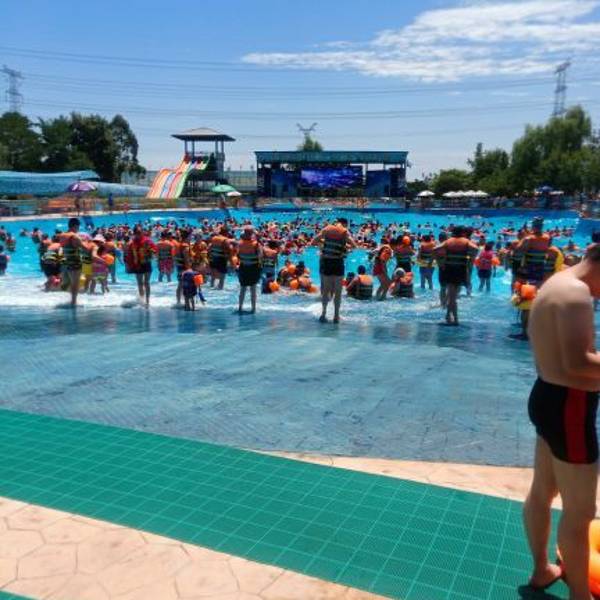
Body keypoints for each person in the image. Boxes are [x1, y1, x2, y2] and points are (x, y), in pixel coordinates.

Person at [524, 244, 600, 600]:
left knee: (542, 491)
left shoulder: (556, 282)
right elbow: (577, 363)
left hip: (547, 396)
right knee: (581, 511)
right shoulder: (576, 294)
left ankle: (542, 570)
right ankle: (581, 596)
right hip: (570, 406)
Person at [310, 218, 357, 323]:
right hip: (338, 263)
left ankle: (323, 314)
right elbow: (354, 246)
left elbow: (313, 242)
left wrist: (325, 242)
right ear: (344, 224)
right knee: (338, 291)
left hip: (326, 262)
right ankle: (336, 316)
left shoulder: (327, 229)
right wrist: (345, 247)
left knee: (326, 290)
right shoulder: (344, 232)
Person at [435, 226, 478, 325]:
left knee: (451, 295)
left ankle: (448, 314)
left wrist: (440, 263)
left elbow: (435, 250)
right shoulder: (466, 242)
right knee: (453, 296)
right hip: (460, 271)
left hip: (449, 269)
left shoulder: (449, 241)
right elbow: (475, 249)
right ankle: (454, 318)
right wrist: (471, 260)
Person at [125, 226, 156, 306]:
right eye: (137, 233)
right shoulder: (132, 243)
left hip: (147, 263)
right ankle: (142, 300)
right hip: (137, 265)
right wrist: (129, 266)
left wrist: (151, 251)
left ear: (142, 232)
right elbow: (129, 255)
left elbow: (155, 250)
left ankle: (147, 301)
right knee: (140, 283)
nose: (139, 234)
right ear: (134, 233)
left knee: (146, 282)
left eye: (140, 232)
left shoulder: (148, 240)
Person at [59, 217, 84, 306]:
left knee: (71, 282)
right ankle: (73, 302)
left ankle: (72, 300)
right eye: (78, 227)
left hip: (67, 261)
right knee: (75, 283)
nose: (78, 229)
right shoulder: (74, 236)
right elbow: (85, 248)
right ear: (75, 226)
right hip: (75, 261)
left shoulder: (62, 235)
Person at [237, 226, 262, 314]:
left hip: (243, 268)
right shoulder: (256, 245)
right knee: (253, 289)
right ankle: (253, 309)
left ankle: (240, 307)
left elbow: (238, 255)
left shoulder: (240, 244)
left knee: (243, 289)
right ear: (252, 234)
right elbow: (260, 257)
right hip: (253, 268)